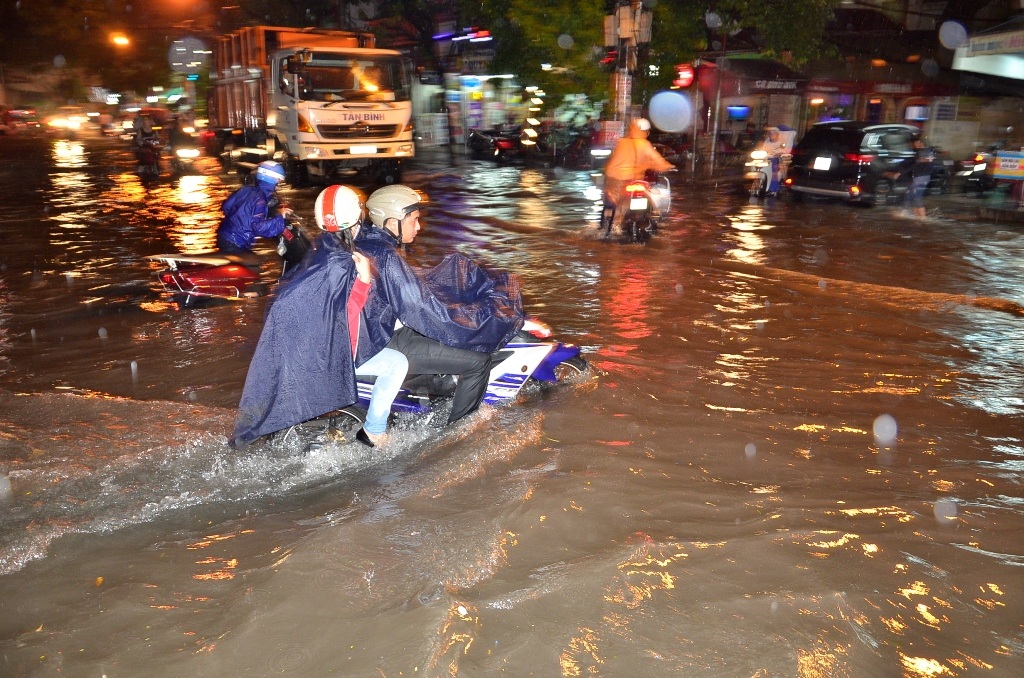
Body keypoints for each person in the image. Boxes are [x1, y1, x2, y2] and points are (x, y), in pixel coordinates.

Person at [230, 185, 408, 448]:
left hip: (305, 350)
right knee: (397, 364)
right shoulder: (346, 262)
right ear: (356, 219)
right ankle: (374, 430)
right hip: (332, 354)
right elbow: (344, 315)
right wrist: (365, 280)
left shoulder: (320, 249)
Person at [355, 185, 524, 427]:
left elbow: (409, 290)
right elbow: (421, 308)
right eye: (414, 220)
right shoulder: (387, 256)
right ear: (393, 223)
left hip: (371, 333)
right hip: (382, 341)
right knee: (478, 361)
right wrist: (467, 322)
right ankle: (460, 430)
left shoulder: (368, 244)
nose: (419, 226)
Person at [602, 117, 674, 234]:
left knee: (611, 208)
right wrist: (669, 166)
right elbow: (660, 162)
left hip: (613, 180)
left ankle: (607, 229)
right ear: (646, 132)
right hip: (631, 181)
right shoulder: (645, 144)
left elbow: (613, 161)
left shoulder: (621, 142)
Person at [216, 160, 294, 268]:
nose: (279, 184)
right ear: (271, 179)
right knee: (255, 267)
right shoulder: (260, 200)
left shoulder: (247, 189)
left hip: (223, 236)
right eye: (278, 180)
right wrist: (280, 218)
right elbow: (258, 227)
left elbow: (226, 206)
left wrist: (241, 219)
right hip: (235, 243)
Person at [904, 136, 935, 219]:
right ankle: (917, 217)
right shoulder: (924, 152)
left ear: (921, 142)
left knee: (917, 197)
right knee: (910, 195)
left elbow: (917, 165)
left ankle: (923, 218)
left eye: (916, 143)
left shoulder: (925, 152)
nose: (914, 145)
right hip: (920, 177)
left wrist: (901, 172)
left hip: (922, 177)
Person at [759, 126, 790, 194]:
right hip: (766, 160)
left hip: (776, 161)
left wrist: (780, 153)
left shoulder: (781, 143)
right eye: (770, 133)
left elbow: (785, 151)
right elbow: (763, 150)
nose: (770, 135)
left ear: (777, 134)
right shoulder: (767, 141)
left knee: (773, 169)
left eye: (772, 134)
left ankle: (774, 187)